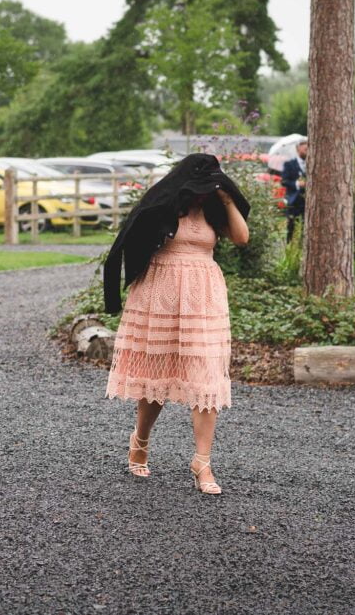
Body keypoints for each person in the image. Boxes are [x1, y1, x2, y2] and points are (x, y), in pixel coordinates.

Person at [103, 153, 250, 495]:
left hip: (204, 296)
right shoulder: (166, 203)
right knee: (158, 373)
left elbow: (242, 238)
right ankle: (140, 440)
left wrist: (226, 198)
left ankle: (202, 461)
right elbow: (130, 240)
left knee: (206, 375)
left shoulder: (215, 209)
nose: (205, 192)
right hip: (161, 293)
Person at [281, 138, 308, 242]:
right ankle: (289, 249)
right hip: (294, 201)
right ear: (298, 148)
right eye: (303, 145)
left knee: (306, 228)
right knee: (291, 228)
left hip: (308, 202)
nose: (306, 147)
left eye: (308, 145)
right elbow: (284, 181)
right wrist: (297, 184)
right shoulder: (289, 164)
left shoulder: (313, 164)